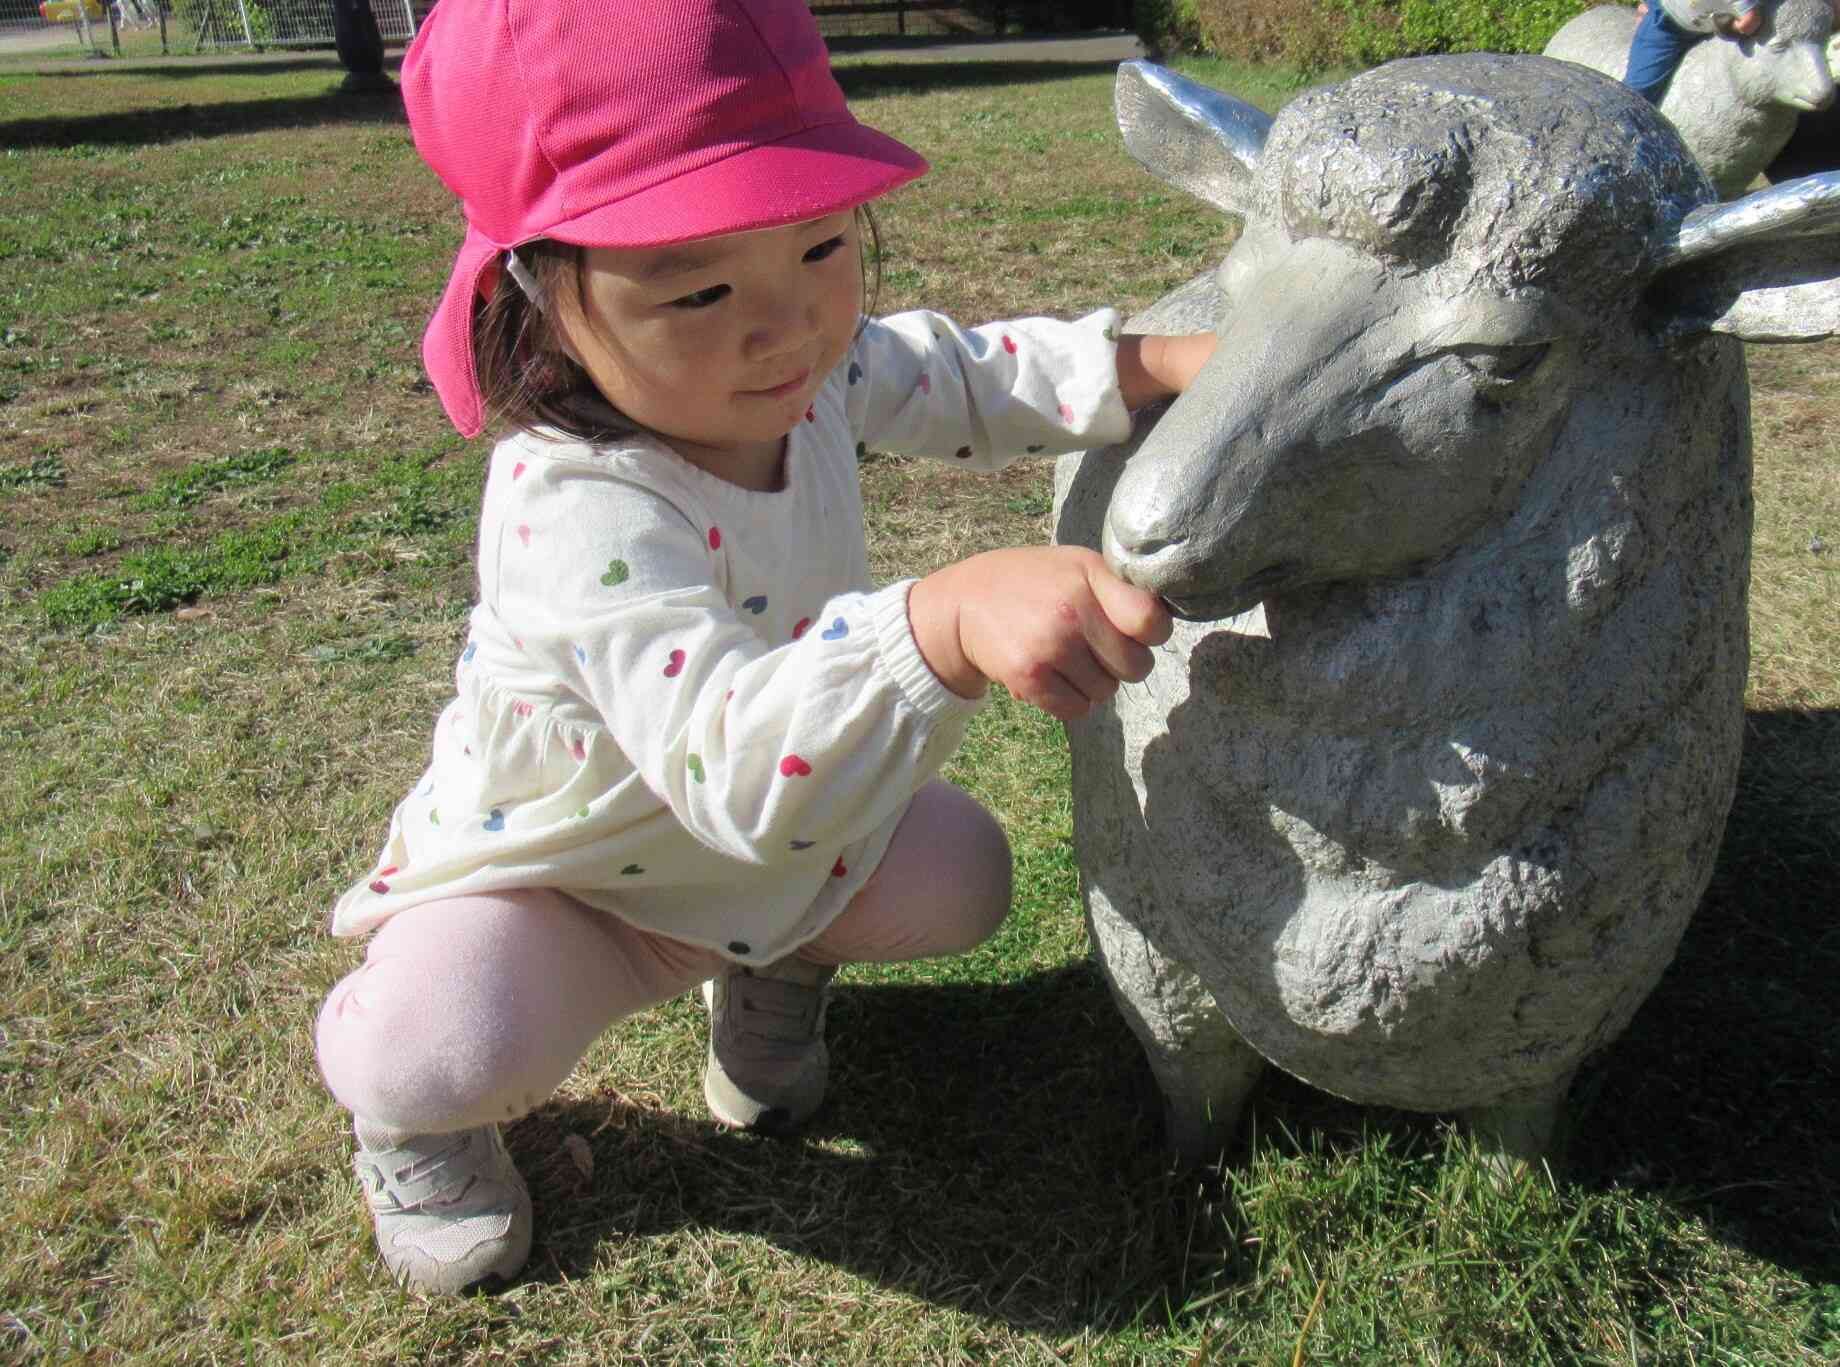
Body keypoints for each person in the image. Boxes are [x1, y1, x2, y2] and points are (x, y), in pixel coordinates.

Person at [313, 0, 1219, 1295]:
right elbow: (735, 761)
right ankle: (409, 1123)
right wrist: (940, 623)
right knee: (442, 1035)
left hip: (758, 853)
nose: (785, 323)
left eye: (820, 243)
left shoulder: (813, 371)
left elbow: (968, 374)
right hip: (564, 879)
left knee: (959, 867)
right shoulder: (572, 504)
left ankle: (772, 969)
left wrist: (1162, 361)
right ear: (541, 290)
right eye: (698, 285)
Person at [1624, 0, 1765, 103]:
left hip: (1699, 21)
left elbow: (1749, 22)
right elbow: (1749, 23)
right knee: (1637, 96)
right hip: (1667, 24)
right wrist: (1731, 26)